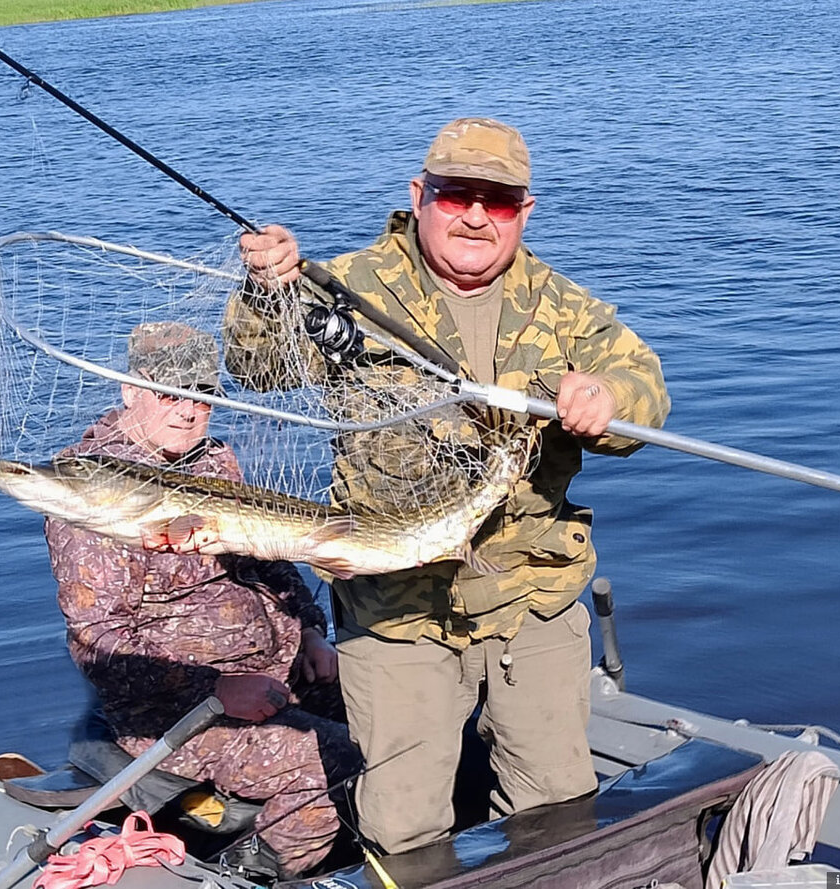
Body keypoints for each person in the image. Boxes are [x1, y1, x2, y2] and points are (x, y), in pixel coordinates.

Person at [225, 118, 671, 855]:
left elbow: (645, 388)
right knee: (404, 826)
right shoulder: (347, 288)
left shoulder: (565, 308)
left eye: (496, 202)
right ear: (418, 195)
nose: (473, 214)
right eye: (455, 193)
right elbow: (263, 368)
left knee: (557, 804)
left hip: (536, 598)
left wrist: (610, 398)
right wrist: (267, 290)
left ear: (524, 212)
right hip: (397, 611)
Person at [43, 321, 358, 877]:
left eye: (204, 396)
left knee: (387, 713)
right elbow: (99, 646)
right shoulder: (96, 494)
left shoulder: (212, 461)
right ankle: (266, 869)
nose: (189, 411)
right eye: (170, 394)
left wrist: (310, 630)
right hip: (179, 714)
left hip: (279, 671)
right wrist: (217, 690)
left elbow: (267, 553)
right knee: (327, 755)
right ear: (130, 389)